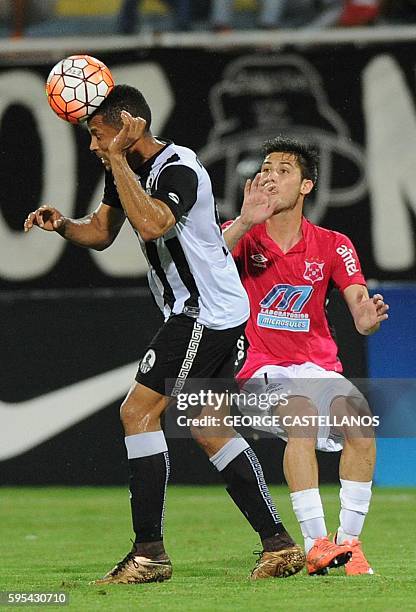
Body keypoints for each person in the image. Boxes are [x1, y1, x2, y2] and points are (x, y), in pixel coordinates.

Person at [23, 87, 305, 583]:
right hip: (214, 312)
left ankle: (149, 553)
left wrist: (115, 161)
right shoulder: (126, 171)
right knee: (207, 425)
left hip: (203, 313)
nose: (92, 145)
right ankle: (278, 545)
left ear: (128, 125)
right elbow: (103, 232)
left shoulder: (178, 167)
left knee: (138, 411)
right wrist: (64, 224)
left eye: (97, 133)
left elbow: (153, 225)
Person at [222, 136, 389, 576]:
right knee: (301, 415)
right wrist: (244, 219)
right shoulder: (241, 235)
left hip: (315, 367)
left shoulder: (333, 244)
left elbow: (359, 310)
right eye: (266, 169)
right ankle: (316, 542)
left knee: (360, 420)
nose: (270, 176)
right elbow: (207, 259)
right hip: (258, 367)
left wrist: (368, 317)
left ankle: (349, 545)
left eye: (283, 170)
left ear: (306, 186)